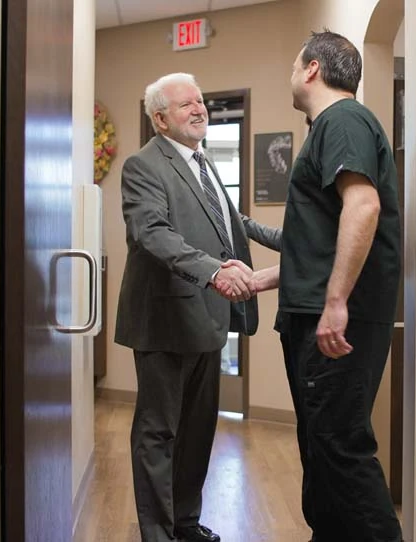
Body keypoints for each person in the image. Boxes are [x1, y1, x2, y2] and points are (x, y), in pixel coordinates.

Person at [114, 72, 281, 542]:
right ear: (160, 118)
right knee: (159, 435)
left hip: (207, 320)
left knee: (196, 434)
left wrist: (298, 241)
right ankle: (158, 534)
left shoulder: (202, 163)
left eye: (200, 101)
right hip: (165, 322)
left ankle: (185, 523)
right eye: (186, 104)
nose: (199, 108)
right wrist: (214, 270)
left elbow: (234, 222)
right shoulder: (143, 165)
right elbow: (154, 234)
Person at [253, 30, 403, 541]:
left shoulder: (343, 119)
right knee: (322, 452)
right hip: (315, 313)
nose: (292, 74)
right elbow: (321, 241)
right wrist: (266, 279)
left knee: (340, 451)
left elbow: (363, 207)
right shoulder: (329, 126)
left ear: (313, 69)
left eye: (296, 64)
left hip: (338, 322)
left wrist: (336, 301)